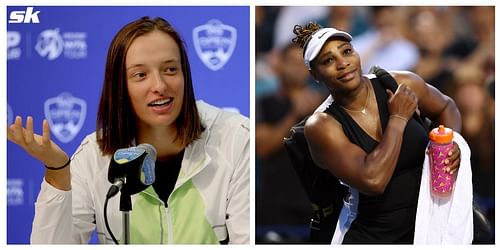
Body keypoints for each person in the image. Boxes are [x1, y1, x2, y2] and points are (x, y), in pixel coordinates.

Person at [7, 17, 249, 244]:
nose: (160, 86)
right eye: (140, 75)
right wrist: (58, 172)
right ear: (119, 86)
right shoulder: (94, 154)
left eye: (170, 70)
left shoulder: (234, 138)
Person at [291, 21, 464, 243]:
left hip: (432, 223)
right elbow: (373, 180)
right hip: (374, 236)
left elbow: (447, 107)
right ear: (315, 74)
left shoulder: (400, 82)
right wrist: (399, 118)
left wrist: (451, 142)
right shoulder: (321, 125)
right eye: (328, 60)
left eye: (347, 52)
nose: (343, 63)